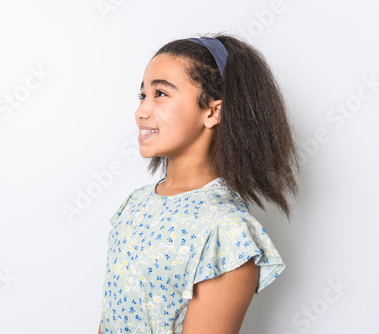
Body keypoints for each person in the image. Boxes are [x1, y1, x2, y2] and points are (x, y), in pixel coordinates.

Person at [97, 33, 300, 334]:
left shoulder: (226, 232)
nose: (141, 111)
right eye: (143, 95)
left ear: (212, 111)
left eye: (161, 94)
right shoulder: (135, 203)